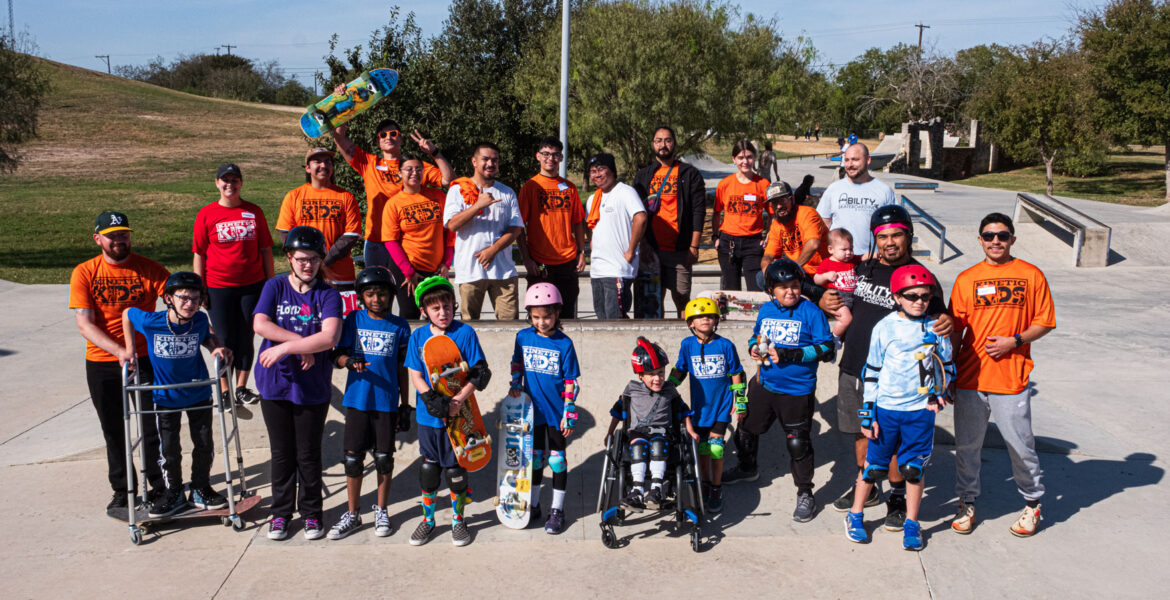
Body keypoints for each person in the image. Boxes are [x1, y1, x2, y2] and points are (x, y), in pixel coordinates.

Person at [831, 205, 953, 533]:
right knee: (862, 433)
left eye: (896, 235)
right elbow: (835, 297)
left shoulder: (920, 277)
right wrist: (824, 302)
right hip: (856, 367)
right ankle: (870, 489)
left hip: (899, 382)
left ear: (908, 236)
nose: (889, 242)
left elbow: (940, 319)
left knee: (897, 442)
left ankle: (897, 496)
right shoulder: (862, 269)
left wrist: (947, 320)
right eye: (882, 236)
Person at [948, 213, 1056, 537]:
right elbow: (956, 329)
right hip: (970, 378)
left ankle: (1032, 503)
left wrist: (1015, 341)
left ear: (1012, 239)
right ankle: (966, 502)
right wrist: (949, 371)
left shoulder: (1030, 275)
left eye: (1003, 235)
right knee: (967, 447)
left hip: (1011, 379)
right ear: (979, 240)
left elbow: (1045, 321)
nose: (996, 241)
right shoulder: (967, 279)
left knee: (1020, 446)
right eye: (989, 235)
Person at [844, 264, 955, 550]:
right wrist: (868, 413)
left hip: (920, 412)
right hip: (887, 409)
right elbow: (872, 369)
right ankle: (855, 514)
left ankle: (912, 522)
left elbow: (947, 366)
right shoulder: (885, 326)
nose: (919, 301)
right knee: (874, 467)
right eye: (912, 296)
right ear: (897, 297)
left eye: (925, 296)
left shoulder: (936, 326)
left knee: (912, 469)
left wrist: (940, 392)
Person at [70, 211, 169, 512]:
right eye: (112, 235)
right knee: (113, 427)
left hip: (146, 359)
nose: (118, 240)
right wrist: (119, 351)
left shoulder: (149, 269)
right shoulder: (85, 272)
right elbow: (85, 324)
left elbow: (179, 301)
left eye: (123, 234)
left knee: (152, 425)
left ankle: (159, 486)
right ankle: (122, 489)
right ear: (98, 238)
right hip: (103, 362)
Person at [252, 226, 343, 541]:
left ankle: (312, 515)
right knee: (282, 454)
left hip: (312, 387)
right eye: (302, 259)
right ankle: (279, 515)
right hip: (275, 384)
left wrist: (288, 347)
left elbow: (329, 337)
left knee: (308, 453)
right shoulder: (275, 287)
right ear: (289, 257)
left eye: (315, 259)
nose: (308, 265)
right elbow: (260, 323)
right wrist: (301, 342)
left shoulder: (328, 294)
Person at [121, 272, 233, 518]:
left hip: (198, 392)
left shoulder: (200, 321)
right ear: (169, 298)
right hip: (165, 397)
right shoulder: (152, 321)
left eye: (195, 299)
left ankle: (200, 487)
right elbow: (128, 314)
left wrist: (216, 348)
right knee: (169, 449)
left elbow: (209, 338)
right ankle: (173, 492)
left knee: (204, 443)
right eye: (183, 298)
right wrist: (129, 350)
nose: (190, 304)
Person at [744, 259, 835, 522]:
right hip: (764, 384)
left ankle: (805, 493)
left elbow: (826, 349)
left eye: (794, 286)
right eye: (783, 287)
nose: (790, 292)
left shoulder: (811, 312)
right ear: (771, 289)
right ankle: (747, 467)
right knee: (746, 428)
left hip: (797, 391)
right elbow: (757, 335)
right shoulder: (766, 310)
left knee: (797, 443)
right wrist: (753, 346)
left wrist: (791, 353)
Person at [404, 276, 491, 547]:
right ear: (424, 311)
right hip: (428, 416)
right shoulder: (417, 336)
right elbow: (415, 373)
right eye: (435, 308)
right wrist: (429, 397)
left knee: (455, 469)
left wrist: (457, 400)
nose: (443, 313)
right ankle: (428, 520)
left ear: (454, 304)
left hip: (460, 416)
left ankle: (458, 520)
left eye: (447, 306)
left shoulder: (464, 333)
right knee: (429, 469)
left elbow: (480, 372)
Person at [327, 267, 412, 540]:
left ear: (391, 296)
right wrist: (348, 361)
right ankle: (352, 514)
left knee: (384, 458)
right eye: (371, 294)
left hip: (386, 401)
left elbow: (403, 368)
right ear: (362, 296)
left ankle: (382, 509)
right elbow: (336, 356)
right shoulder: (353, 319)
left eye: (382, 294)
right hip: (357, 400)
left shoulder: (400, 325)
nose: (377, 299)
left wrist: (405, 405)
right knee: (353, 459)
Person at [193, 163, 274, 406]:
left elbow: (266, 250)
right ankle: (225, 389)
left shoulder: (254, 211)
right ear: (216, 183)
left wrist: (269, 284)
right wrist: (201, 288)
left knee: (246, 335)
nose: (230, 184)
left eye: (234, 179)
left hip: (252, 285)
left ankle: (241, 387)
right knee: (223, 338)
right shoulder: (206, 214)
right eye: (224, 180)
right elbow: (199, 254)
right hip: (219, 287)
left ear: (241, 183)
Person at [330, 116, 453, 277]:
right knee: (379, 294)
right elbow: (339, 137)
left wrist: (434, 153)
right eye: (383, 135)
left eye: (393, 133)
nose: (388, 137)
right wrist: (343, 105)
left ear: (400, 138)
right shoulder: (368, 163)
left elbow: (449, 180)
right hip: (377, 240)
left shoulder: (415, 168)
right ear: (377, 142)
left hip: (410, 244)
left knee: (411, 295)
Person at [508, 283, 581, 533]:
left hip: (556, 414)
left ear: (557, 314)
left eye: (547, 316)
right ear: (529, 314)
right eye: (536, 317)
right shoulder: (523, 337)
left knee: (557, 461)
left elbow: (571, 381)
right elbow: (517, 363)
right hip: (532, 412)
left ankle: (557, 510)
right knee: (537, 460)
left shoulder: (565, 344)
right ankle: (535, 505)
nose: (542, 322)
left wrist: (569, 413)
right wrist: (516, 385)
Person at [668, 298, 745, 513]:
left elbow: (736, 374)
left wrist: (740, 402)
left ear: (716, 321)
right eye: (700, 317)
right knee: (702, 448)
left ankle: (716, 487)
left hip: (721, 406)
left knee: (716, 448)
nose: (705, 319)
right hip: (699, 409)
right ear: (691, 323)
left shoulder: (725, 345)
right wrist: (666, 390)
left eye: (710, 316)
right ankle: (704, 482)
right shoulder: (687, 345)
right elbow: (680, 370)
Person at [605, 337, 697, 511]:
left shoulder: (670, 389)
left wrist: (690, 431)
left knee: (657, 443)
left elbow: (683, 411)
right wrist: (610, 433)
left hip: (663, 432)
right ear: (640, 375)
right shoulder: (631, 389)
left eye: (661, 372)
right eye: (651, 374)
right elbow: (618, 411)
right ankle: (637, 491)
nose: (657, 378)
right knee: (638, 445)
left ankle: (656, 490)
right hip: (638, 432)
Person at [443, 142, 524, 320]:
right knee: (468, 325)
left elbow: (516, 228)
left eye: (495, 160)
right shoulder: (458, 190)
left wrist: (492, 250)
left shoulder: (507, 192)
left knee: (509, 326)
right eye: (485, 159)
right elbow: (452, 225)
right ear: (474, 161)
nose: (490, 164)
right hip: (470, 270)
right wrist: (478, 206)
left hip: (503, 271)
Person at [633, 126, 706, 318]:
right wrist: (642, 243)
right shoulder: (643, 176)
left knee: (682, 300)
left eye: (667, 140)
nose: (663, 145)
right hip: (651, 250)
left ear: (674, 143)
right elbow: (636, 213)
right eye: (658, 140)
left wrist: (694, 246)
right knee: (652, 303)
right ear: (653, 144)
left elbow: (699, 211)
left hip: (680, 251)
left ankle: (684, 340)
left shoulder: (689, 174)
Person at [517, 137, 587, 319]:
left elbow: (578, 221)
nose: (551, 158)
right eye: (546, 154)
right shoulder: (530, 186)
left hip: (567, 261)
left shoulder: (569, 187)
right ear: (538, 156)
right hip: (540, 262)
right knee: (540, 314)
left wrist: (581, 251)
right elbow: (518, 226)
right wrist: (526, 259)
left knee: (566, 314)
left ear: (561, 158)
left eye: (555, 154)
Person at [276, 148, 362, 288]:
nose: (324, 165)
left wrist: (322, 263)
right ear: (308, 168)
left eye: (328, 162)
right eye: (318, 162)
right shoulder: (293, 196)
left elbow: (350, 237)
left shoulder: (346, 197)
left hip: (340, 279)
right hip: (304, 277)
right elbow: (287, 236)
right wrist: (308, 263)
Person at [381, 154, 454, 320]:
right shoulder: (393, 203)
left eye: (418, 169)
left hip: (436, 269)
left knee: (439, 315)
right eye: (409, 169)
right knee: (410, 316)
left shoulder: (438, 196)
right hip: (409, 270)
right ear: (399, 173)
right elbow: (390, 241)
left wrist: (446, 263)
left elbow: (449, 232)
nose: (414, 173)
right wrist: (408, 272)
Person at [585, 153, 647, 319]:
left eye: (601, 169)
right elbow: (590, 226)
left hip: (618, 269)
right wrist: (592, 245)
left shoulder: (625, 192)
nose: (596, 175)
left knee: (616, 318)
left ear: (612, 171)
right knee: (601, 317)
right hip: (598, 270)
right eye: (592, 171)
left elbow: (640, 218)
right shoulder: (592, 198)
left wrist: (631, 249)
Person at [816, 143, 895, 259]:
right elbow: (823, 224)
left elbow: (893, 227)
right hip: (840, 262)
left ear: (868, 160)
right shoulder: (834, 189)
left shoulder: (884, 190)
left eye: (855, 160)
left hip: (871, 259)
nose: (849, 165)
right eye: (847, 160)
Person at [713, 140, 771, 291]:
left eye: (749, 157)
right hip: (728, 243)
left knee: (756, 289)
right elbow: (717, 212)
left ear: (755, 158)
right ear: (734, 159)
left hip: (753, 243)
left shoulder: (763, 184)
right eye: (741, 158)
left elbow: (773, 215)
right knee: (731, 291)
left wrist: (769, 236)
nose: (745, 161)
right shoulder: (725, 184)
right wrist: (715, 237)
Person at [759, 180, 828, 280]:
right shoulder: (776, 225)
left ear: (792, 199)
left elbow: (813, 244)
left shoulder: (808, 213)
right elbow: (768, 256)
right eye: (774, 202)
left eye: (783, 200)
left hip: (819, 274)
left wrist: (793, 269)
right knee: (761, 278)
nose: (779, 206)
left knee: (784, 280)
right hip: (798, 273)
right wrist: (767, 274)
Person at [814, 228, 861, 343]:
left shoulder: (852, 260)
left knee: (853, 321)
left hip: (853, 296)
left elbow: (863, 257)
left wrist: (875, 254)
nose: (849, 252)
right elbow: (816, 279)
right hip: (838, 297)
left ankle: (841, 338)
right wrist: (825, 276)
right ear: (831, 249)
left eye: (851, 249)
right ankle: (834, 339)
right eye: (844, 249)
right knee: (846, 319)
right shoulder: (827, 263)